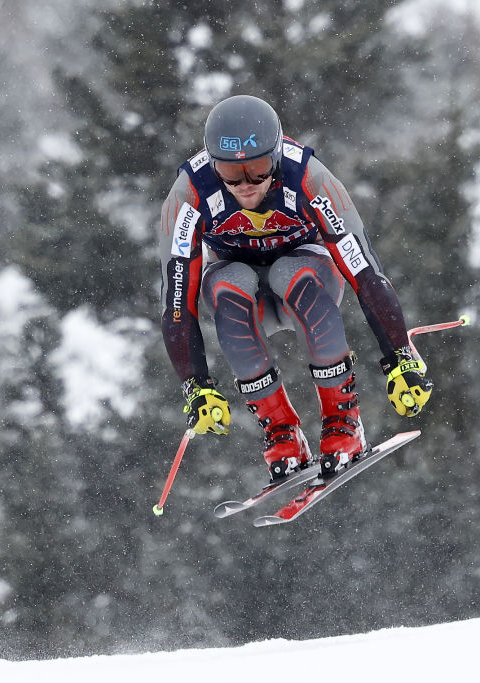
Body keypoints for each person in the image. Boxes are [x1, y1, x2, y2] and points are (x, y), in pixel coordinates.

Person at [157, 94, 433, 481]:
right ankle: (281, 430)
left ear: (277, 155)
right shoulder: (189, 193)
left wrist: (400, 356)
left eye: (257, 169)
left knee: (290, 272)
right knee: (224, 284)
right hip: (245, 289)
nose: (245, 185)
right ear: (211, 164)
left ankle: (344, 421)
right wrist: (195, 385)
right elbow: (176, 299)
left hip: (308, 273)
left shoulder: (308, 176)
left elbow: (363, 269)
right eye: (230, 173)